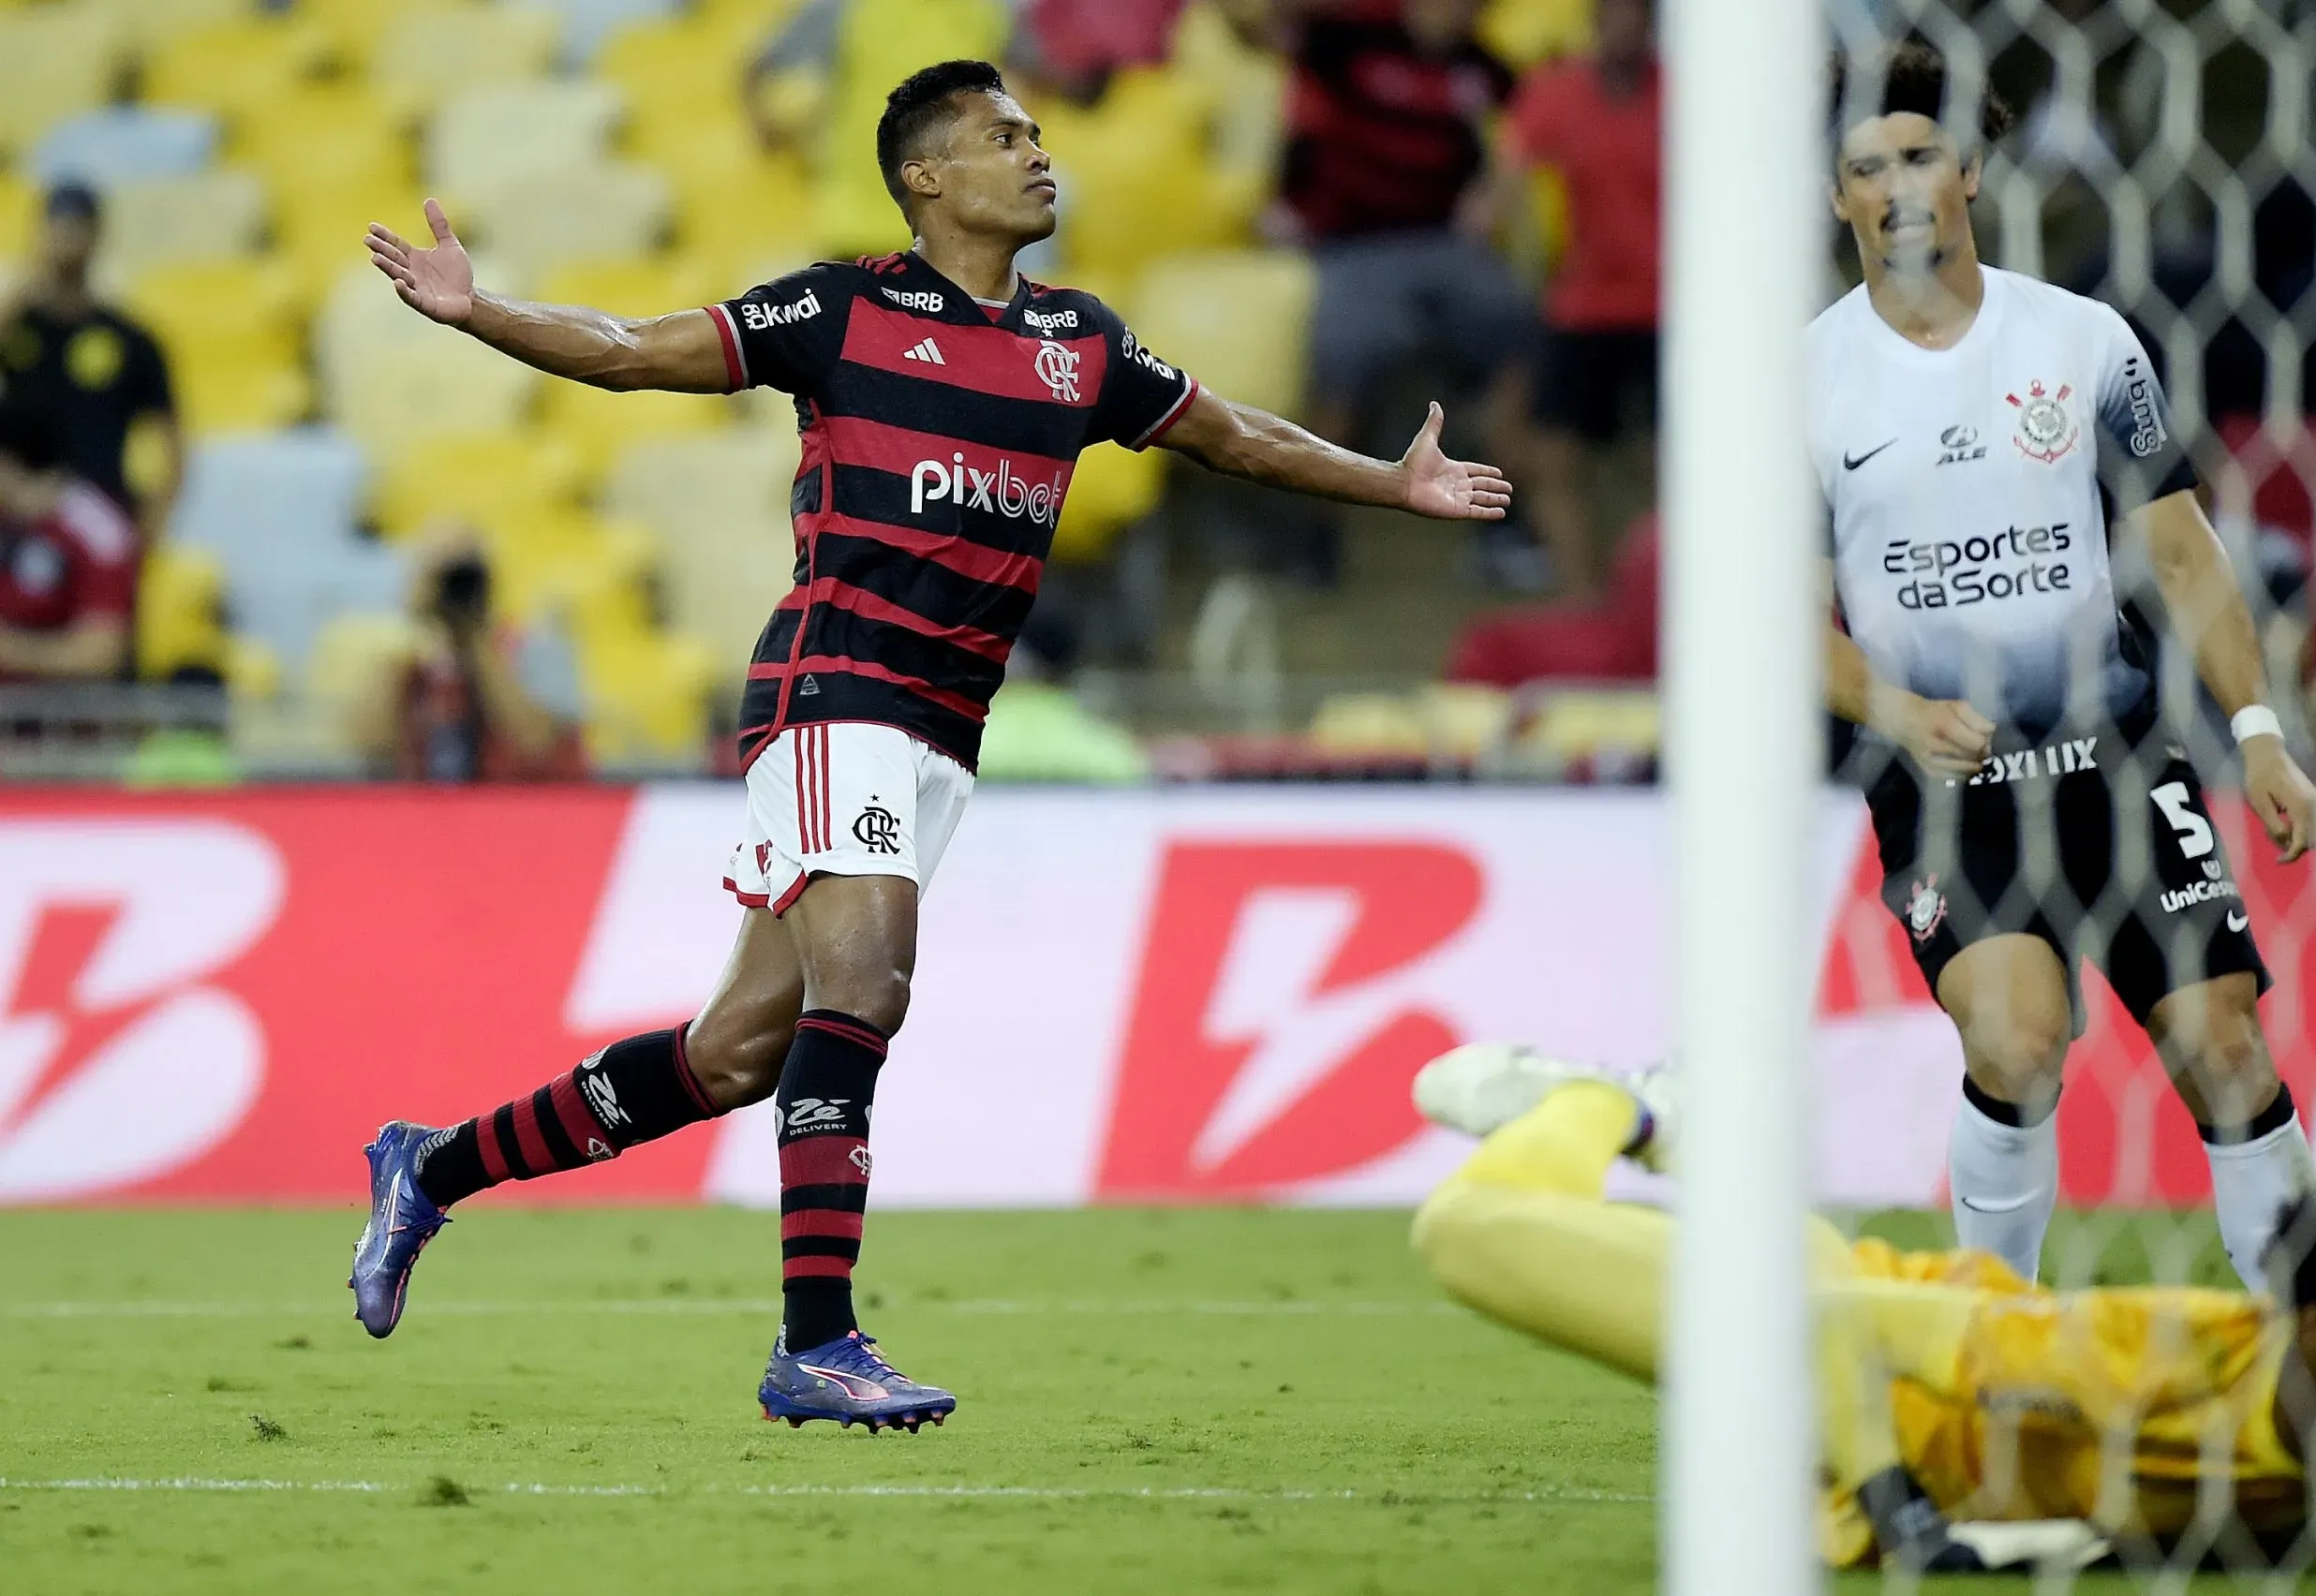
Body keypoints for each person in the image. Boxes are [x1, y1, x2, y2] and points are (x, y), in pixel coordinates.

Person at [348, 59, 1511, 1431]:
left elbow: (1232, 437)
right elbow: (628, 349)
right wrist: (483, 314)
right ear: (926, 178)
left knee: (733, 1056)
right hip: (834, 688)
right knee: (869, 981)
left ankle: (433, 1165)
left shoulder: (1080, 341)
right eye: (1000, 135)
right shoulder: (840, 308)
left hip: (940, 731)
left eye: (1035, 130)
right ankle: (816, 1344)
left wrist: (1391, 480)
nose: (1035, 151)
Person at [1816, 42, 2316, 1293]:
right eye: (1867, 166)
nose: (1898, 186)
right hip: (1946, 788)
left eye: (1921, 155)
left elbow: (2185, 558)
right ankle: (1997, 1335)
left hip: (2121, 763)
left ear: (1973, 170)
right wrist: (1895, 707)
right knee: (2020, 1038)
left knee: (2224, 1042)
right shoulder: (1798, 384)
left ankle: (2306, 1348)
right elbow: (1769, 623)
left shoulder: (2083, 341)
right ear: (1839, 196)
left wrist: (2258, 727)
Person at [1410, 1043, 2316, 1572]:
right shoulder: (2158, 1353)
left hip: (1848, 1350)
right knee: (1460, 1230)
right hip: (1809, 1357)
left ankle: (1693, 1139)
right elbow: (1839, 1321)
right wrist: (1896, 1512)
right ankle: (1609, 1105)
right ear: (2310, 1314)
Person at [1227, 0, 1537, 585]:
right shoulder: (1349, 42)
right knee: (1342, 366)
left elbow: (1536, 129)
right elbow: (1253, 25)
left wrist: (1496, 190)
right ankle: (1316, 535)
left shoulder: (1484, 68)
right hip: (1355, 246)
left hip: (1445, 242)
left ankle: (1499, 522)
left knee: (1519, 333)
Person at [1495, 0, 1660, 598]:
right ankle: (1581, 600)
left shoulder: (1686, 96)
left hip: (1665, 310)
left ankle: (1665, 600)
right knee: (1554, 458)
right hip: (1584, 306)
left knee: (1668, 462)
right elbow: (1507, 175)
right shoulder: (1556, 93)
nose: (1621, 29)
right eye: (1609, 17)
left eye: (1632, 16)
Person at [0, 184, 182, 539]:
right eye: (57, 226)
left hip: (100, 512)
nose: (66, 238)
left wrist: (154, 519)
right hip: (19, 512)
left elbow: (173, 438)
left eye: (77, 226)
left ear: (99, 235)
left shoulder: (129, 339)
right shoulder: (16, 330)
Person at [375, 529, 585, 783]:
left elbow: (538, 742)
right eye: (443, 577)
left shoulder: (532, 645)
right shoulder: (413, 661)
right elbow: (371, 748)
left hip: (525, 807)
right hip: (435, 810)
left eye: (465, 576)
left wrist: (476, 642)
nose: (455, 588)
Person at [0, 407, 137, 684]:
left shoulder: (99, 532)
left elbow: (100, 653)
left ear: (10, 463)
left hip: (57, 719)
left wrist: (12, 650)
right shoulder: (9, 518)